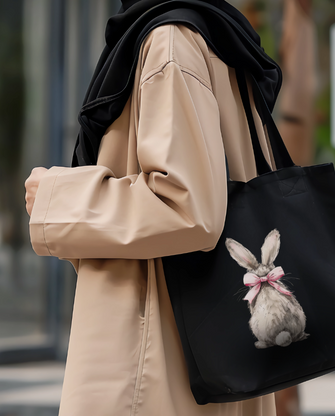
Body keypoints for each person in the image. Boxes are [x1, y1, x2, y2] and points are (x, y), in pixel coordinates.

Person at [25, 0, 282, 414]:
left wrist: (57, 199)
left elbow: (187, 207)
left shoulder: (170, 39)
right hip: (194, 340)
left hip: (151, 349)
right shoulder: (211, 29)